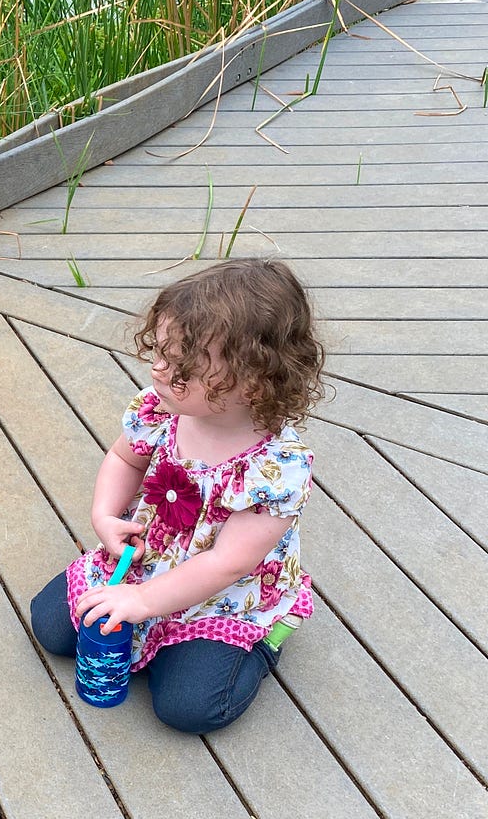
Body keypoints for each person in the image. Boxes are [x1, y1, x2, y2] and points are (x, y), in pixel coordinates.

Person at [29, 258, 326, 733]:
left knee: (187, 708)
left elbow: (226, 564)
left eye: (183, 366)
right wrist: (105, 516)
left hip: (220, 595)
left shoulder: (275, 471)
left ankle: (263, 644)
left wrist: (143, 602)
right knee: (51, 626)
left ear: (252, 381)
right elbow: (125, 458)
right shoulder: (162, 410)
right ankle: (153, 638)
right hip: (146, 557)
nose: (159, 370)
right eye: (160, 353)